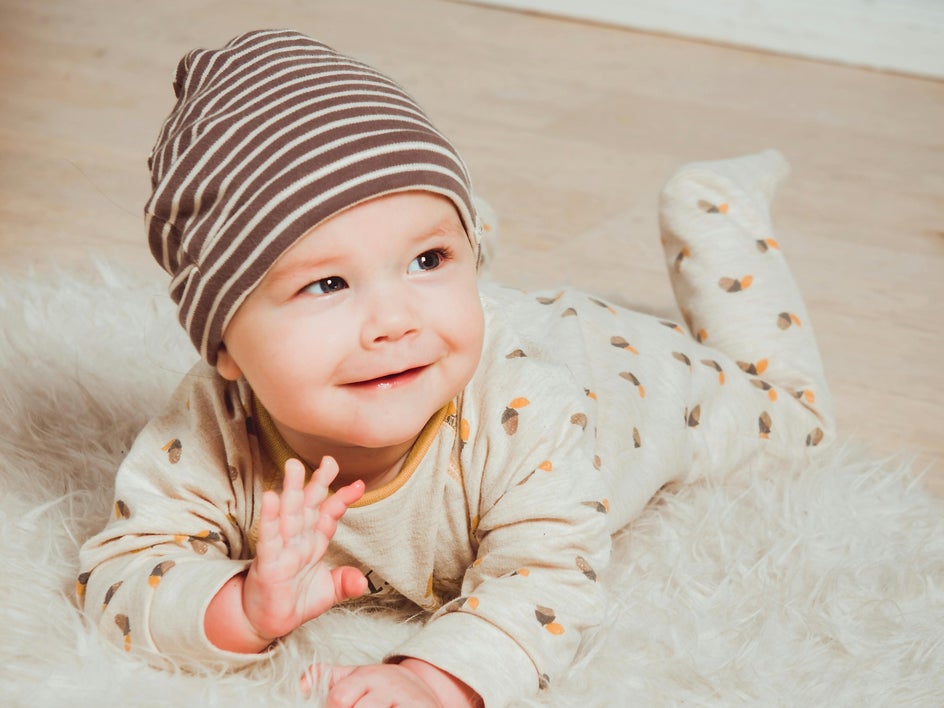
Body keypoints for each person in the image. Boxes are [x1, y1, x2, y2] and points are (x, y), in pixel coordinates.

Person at [77, 29, 834, 707]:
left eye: (428, 258)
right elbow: (118, 577)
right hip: (480, 326)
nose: (394, 320)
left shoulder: (533, 410)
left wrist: (431, 679)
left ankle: (711, 209)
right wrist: (241, 604)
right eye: (328, 284)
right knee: (439, 301)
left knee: (795, 415)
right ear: (224, 348)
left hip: (617, 369)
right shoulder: (211, 429)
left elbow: (546, 579)